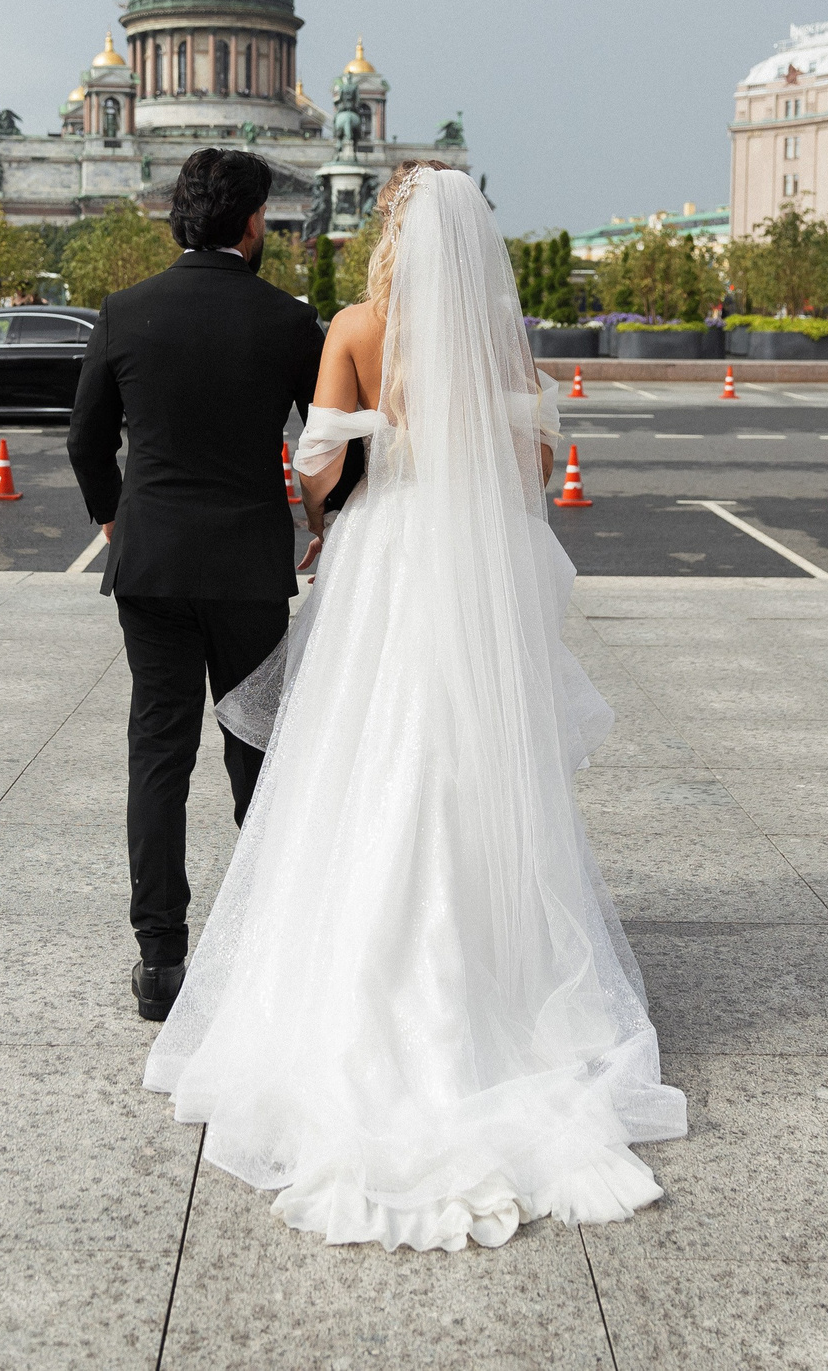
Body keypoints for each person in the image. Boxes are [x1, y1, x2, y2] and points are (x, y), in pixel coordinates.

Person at [144, 164, 686, 1252]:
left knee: (367, 742)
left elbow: (316, 465)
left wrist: (334, 499)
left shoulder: (355, 323)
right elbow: (537, 459)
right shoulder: (497, 334)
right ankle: (494, 967)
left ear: (392, 235)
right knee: (470, 746)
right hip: (469, 559)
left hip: (389, 551)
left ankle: (360, 959)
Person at [67, 147, 324, 1024]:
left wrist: (113, 515)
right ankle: (269, 945)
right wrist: (325, 521)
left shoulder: (125, 311)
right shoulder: (287, 322)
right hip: (250, 569)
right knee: (256, 755)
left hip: (151, 569)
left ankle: (160, 961)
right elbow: (326, 444)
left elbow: (85, 441)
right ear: (254, 225)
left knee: (159, 757)